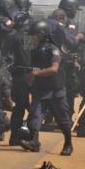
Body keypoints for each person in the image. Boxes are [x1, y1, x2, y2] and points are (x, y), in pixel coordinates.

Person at [20, 20, 73, 156]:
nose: (32, 38)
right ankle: (34, 142)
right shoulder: (32, 46)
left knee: (63, 119)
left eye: (35, 35)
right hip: (40, 88)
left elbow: (54, 69)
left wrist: (35, 73)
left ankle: (68, 143)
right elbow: (23, 55)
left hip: (55, 90)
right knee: (35, 116)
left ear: (43, 35)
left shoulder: (53, 49)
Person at [5, 12, 33, 145]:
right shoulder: (31, 37)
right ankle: (29, 135)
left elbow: (4, 52)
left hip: (17, 76)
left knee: (19, 107)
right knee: (35, 108)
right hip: (31, 75)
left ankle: (14, 136)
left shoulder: (12, 36)